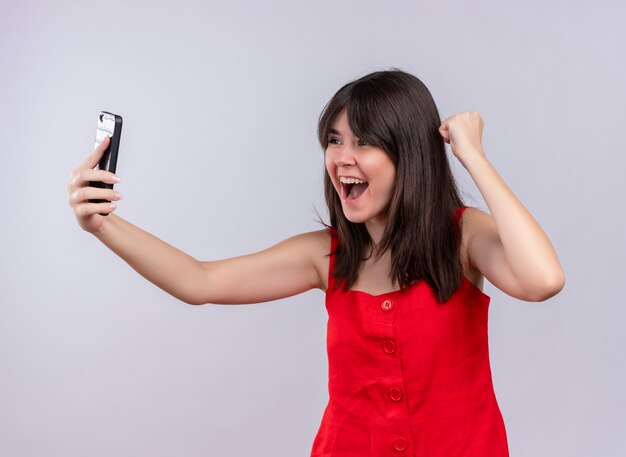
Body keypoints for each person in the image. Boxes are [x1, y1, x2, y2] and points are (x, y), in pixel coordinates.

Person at [67, 69, 565, 456]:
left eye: (364, 141)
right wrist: (103, 225)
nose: (342, 157)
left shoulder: (463, 236)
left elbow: (542, 280)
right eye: (334, 139)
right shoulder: (325, 255)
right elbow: (200, 281)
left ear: (409, 154)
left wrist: (472, 155)